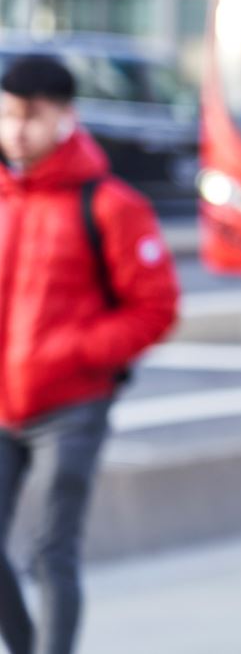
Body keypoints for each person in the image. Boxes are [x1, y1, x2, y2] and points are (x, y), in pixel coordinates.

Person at [0, 55, 179, 654]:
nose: (17, 131)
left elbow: (155, 308)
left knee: (52, 550)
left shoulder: (109, 204)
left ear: (65, 118)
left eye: (30, 117)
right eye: (6, 116)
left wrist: (77, 352)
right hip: (4, 402)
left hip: (72, 404)